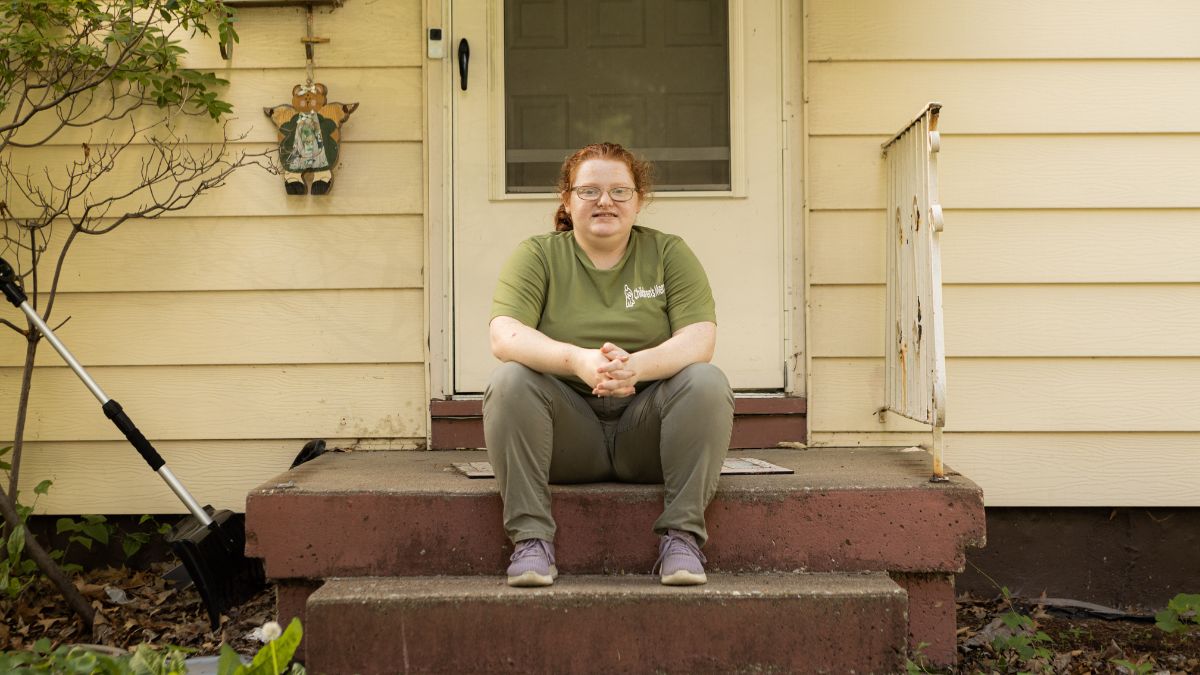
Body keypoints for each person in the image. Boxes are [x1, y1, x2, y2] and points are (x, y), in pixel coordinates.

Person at [484, 142, 734, 588]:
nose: (605, 201)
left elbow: (700, 338)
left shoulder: (668, 253)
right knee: (510, 381)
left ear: (639, 200)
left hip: (648, 433)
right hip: (566, 436)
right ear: (567, 200)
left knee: (706, 381)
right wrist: (577, 360)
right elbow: (505, 335)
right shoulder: (539, 255)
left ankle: (682, 539)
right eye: (590, 191)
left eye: (620, 190)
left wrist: (636, 367)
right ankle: (531, 541)